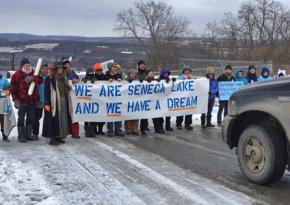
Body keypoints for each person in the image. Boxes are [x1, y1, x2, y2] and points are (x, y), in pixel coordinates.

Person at [10, 58, 43, 143]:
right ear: (22, 66)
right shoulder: (17, 75)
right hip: (21, 101)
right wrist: (15, 100)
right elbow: (13, 88)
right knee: (21, 118)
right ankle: (21, 135)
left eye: (28, 65)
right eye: (26, 65)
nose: (27, 67)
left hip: (32, 101)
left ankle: (28, 134)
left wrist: (33, 78)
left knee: (31, 118)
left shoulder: (34, 73)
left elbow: (40, 80)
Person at [42, 62, 72, 145]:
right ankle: (52, 137)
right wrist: (47, 103)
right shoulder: (50, 78)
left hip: (63, 101)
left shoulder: (64, 78)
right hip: (53, 102)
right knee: (53, 120)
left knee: (61, 119)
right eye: (59, 68)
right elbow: (46, 91)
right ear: (55, 69)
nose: (60, 69)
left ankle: (59, 136)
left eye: (62, 68)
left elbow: (68, 89)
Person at [62, 57, 80, 139]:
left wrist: (77, 80)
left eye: (68, 65)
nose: (67, 67)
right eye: (65, 66)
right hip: (63, 97)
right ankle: (63, 131)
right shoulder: (61, 75)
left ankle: (75, 132)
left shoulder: (74, 74)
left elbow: (79, 82)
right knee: (63, 115)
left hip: (73, 98)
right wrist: (70, 82)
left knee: (74, 115)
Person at [106, 63, 124, 137]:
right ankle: (110, 130)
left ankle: (118, 129)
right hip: (109, 99)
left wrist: (120, 80)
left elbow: (124, 84)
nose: (115, 68)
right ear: (110, 68)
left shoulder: (119, 75)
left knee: (118, 114)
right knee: (110, 114)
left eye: (116, 67)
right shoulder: (106, 75)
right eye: (114, 67)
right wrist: (107, 80)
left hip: (117, 98)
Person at [153, 68, 174, 133]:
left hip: (166, 99)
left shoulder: (169, 80)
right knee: (159, 115)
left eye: (167, 73)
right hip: (159, 100)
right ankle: (159, 128)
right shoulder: (158, 80)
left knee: (168, 114)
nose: (166, 74)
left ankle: (168, 126)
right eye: (165, 73)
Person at [33, 64, 49, 140]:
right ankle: (35, 133)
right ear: (40, 69)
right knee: (37, 117)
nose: (45, 70)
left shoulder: (49, 78)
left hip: (48, 101)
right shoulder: (37, 77)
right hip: (39, 101)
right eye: (44, 69)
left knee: (48, 118)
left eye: (47, 69)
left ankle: (47, 133)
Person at [82, 67, 97, 138]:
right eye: (89, 73)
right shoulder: (84, 79)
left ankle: (92, 131)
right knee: (86, 117)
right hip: (86, 101)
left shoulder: (95, 79)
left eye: (92, 72)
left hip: (93, 101)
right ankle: (87, 131)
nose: (91, 74)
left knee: (92, 117)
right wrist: (84, 81)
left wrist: (95, 81)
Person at [125, 69, 139, 136]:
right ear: (129, 75)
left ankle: (135, 129)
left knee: (136, 115)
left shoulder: (138, 81)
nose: (133, 75)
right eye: (131, 74)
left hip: (136, 100)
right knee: (128, 116)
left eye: (134, 74)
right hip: (128, 100)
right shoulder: (125, 81)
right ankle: (128, 129)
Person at [140, 70, 154, 135]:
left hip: (152, 100)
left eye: (152, 73)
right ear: (147, 74)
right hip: (145, 100)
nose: (151, 74)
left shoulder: (155, 81)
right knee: (144, 116)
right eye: (149, 73)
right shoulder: (144, 82)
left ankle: (146, 126)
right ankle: (143, 128)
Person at [94, 63, 106, 135]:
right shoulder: (93, 77)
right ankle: (95, 129)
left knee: (102, 116)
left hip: (102, 99)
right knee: (95, 116)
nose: (99, 71)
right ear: (95, 70)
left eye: (100, 70)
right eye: (97, 70)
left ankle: (100, 130)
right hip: (95, 99)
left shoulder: (105, 77)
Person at [0, 72, 10, 142]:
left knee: (3, 118)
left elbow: (9, 89)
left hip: (2, 101)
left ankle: (4, 135)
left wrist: (7, 92)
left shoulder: (4, 80)